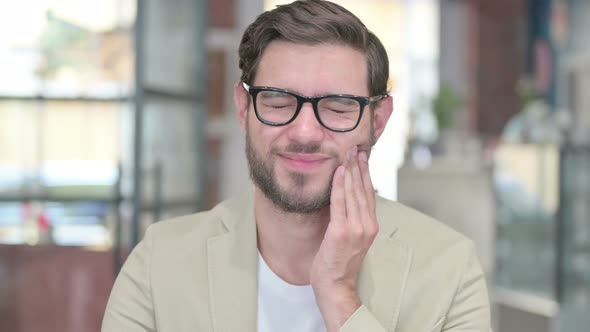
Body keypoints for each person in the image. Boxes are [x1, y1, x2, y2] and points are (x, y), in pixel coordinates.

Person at [102, 1, 492, 331]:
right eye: (277, 102)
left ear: (378, 120)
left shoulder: (450, 271)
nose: (304, 131)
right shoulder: (159, 263)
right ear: (243, 109)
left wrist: (339, 294)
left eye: (338, 107)